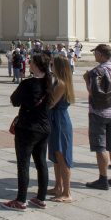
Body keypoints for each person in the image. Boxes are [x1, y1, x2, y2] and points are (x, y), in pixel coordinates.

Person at [3, 53, 53, 211]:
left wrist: (25, 99)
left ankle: (21, 200)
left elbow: (14, 100)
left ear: (37, 66)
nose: (29, 63)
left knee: (23, 164)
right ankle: (41, 198)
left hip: (27, 128)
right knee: (41, 163)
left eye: (31, 62)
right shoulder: (50, 82)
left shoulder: (28, 83)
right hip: (44, 127)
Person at [84, 44, 111, 189]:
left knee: (100, 147)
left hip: (98, 113)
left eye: (96, 53)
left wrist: (86, 80)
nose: (94, 55)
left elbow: (93, 93)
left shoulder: (96, 71)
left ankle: (103, 179)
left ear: (102, 55)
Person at [48, 55, 75, 202]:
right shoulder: (58, 82)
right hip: (55, 120)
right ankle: (58, 186)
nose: (50, 67)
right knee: (56, 157)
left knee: (62, 157)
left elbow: (50, 103)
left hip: (60, 121)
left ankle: (67, 192)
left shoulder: (61, 84)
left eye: (52, 65)